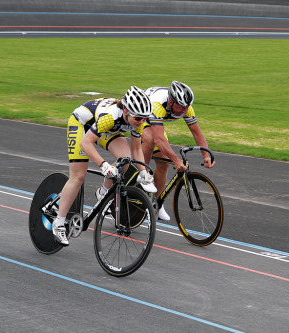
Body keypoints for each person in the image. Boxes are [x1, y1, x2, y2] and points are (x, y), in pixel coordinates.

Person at [53, 86, 155, 246]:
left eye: (144, 118)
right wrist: (103, 164)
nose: (141, 122)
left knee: (125, 160)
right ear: (127, 110)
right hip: (82, 124)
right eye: (138, 119)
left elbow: (136, 149)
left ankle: (103, 192)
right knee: (78, 176)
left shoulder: (138, 119)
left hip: (105, 129)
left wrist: (143, 171)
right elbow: (85, 143)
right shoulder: (111, 117)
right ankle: (59, 223)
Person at [142, 81, 215, 221]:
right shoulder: (158, 106)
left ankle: (157, 203)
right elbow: (159, 139)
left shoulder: (187, 108)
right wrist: (175, 159)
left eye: (186, 107)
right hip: (139, 117)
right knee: (151, 140)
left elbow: (197, 133)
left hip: (154, 123)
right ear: (170, 101)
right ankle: (142, 174)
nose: (184, 110)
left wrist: (206, 155)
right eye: (181, 107)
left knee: (163, 163)